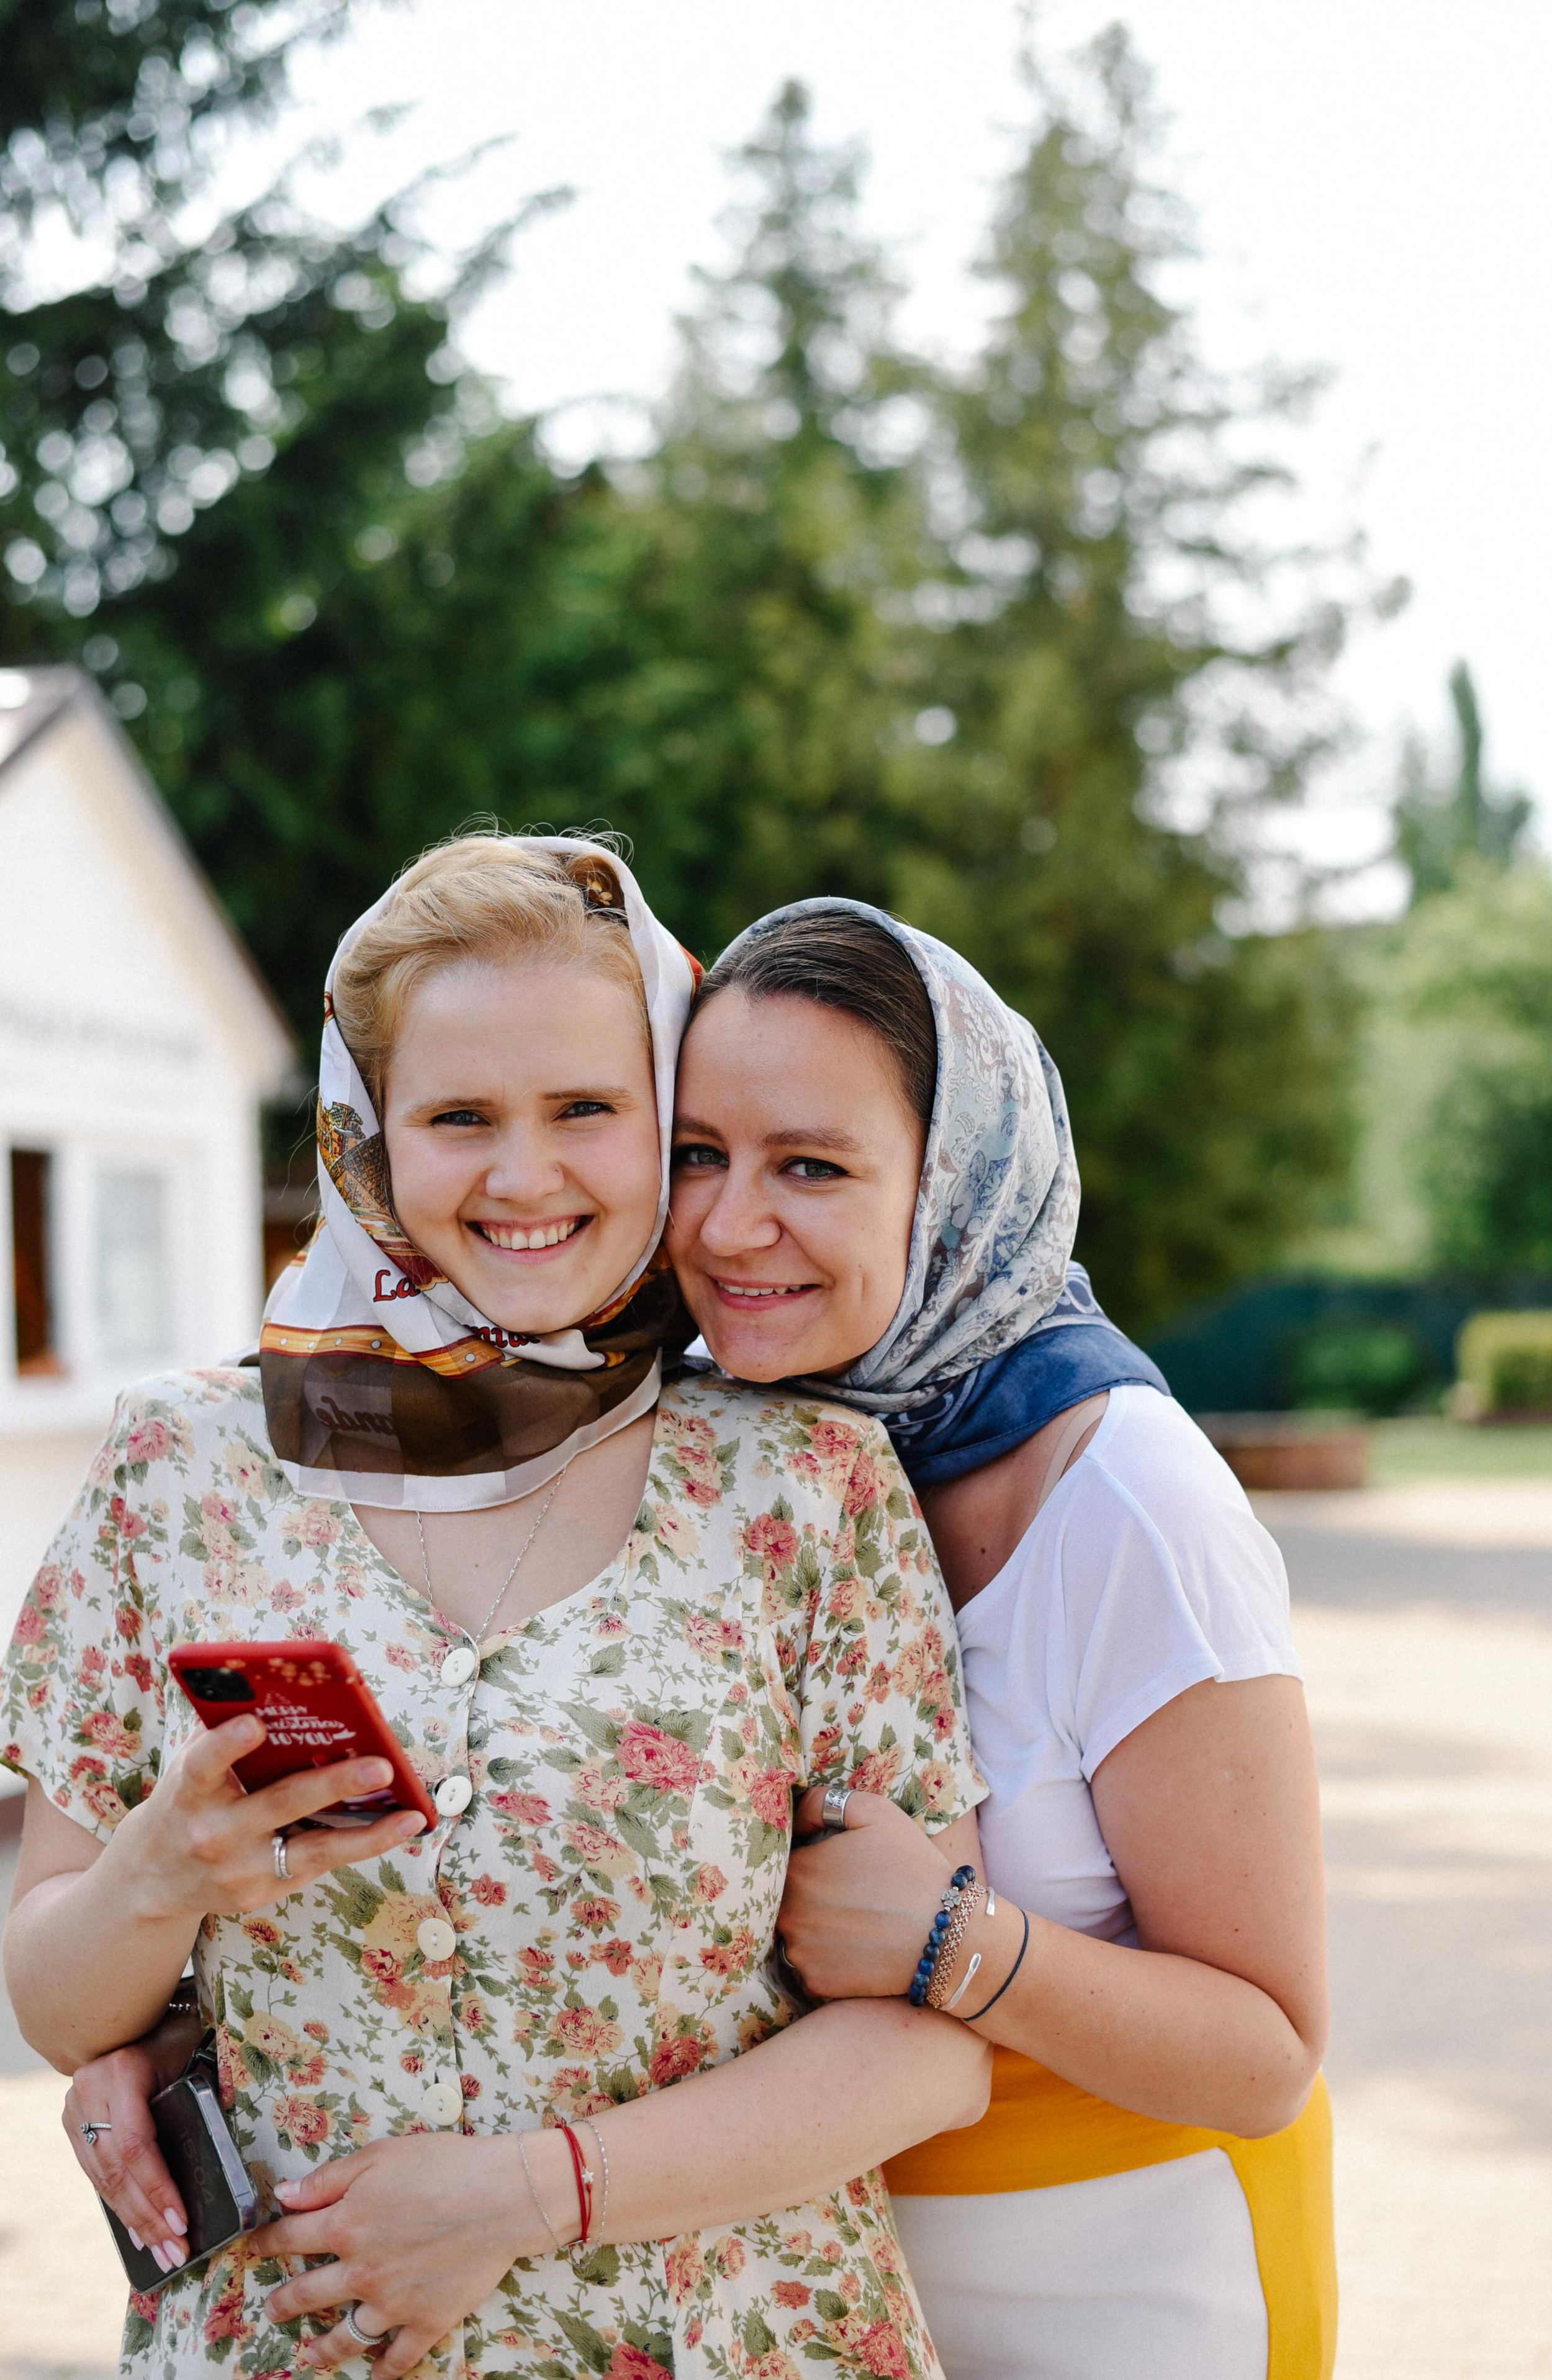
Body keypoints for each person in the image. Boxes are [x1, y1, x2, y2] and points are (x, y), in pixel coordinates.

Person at [1, 840, 990, 2380]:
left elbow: (925, 2050)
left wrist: (530, 2197)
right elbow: (58, 2006)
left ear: (664, 1124)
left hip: (727, 2335)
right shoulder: (178, 1470)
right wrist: (155, 1875)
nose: (522, 1178)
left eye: (586, 1111)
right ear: (369, 1137)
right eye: (459, 1117)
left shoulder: (812, 1489)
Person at [664, 900, 1335, 2380]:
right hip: (808, 2288)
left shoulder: (1132, 1509)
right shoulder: (704, 1448)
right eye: (696, 1153)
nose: (724, 1224)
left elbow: (1265, 2050)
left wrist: (954, 1945)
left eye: (812, 1167)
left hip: (1134, 2277)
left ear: (953, 1186)